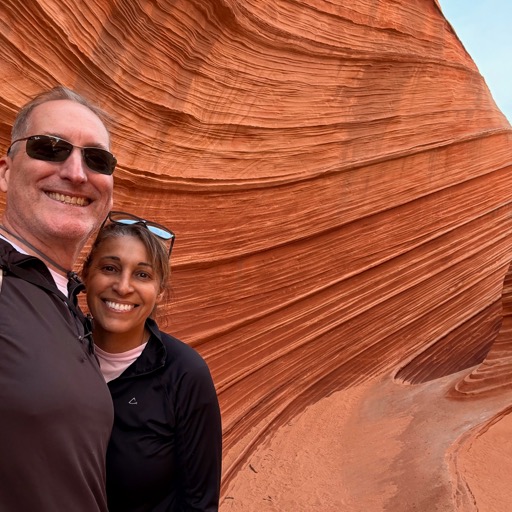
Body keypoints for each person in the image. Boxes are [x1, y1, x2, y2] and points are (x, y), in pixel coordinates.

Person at [0, 86, 117, 511]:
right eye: (49, 147)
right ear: (6, 170)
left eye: (97, 159)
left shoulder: (67, 301)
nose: (76, 172)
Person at [82, 211, 223, 512]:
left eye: (142, 274)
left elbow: (199, 502)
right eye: (110, 268)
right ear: (86, 274)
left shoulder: (184, 374)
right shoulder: (58, 351)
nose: (123, 286)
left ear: (159, 291)